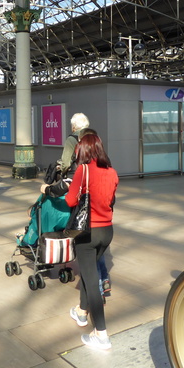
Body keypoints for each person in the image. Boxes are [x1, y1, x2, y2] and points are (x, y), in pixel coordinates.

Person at [64, 133, 118, 350]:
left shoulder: (83, 170)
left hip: (87, 233)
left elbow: (70, 200)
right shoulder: (112, 172)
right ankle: (82, 313)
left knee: (91, 279)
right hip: (107, 232)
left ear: (84, 151)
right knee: (90, 273)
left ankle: (102, 334)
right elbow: (111, 199)